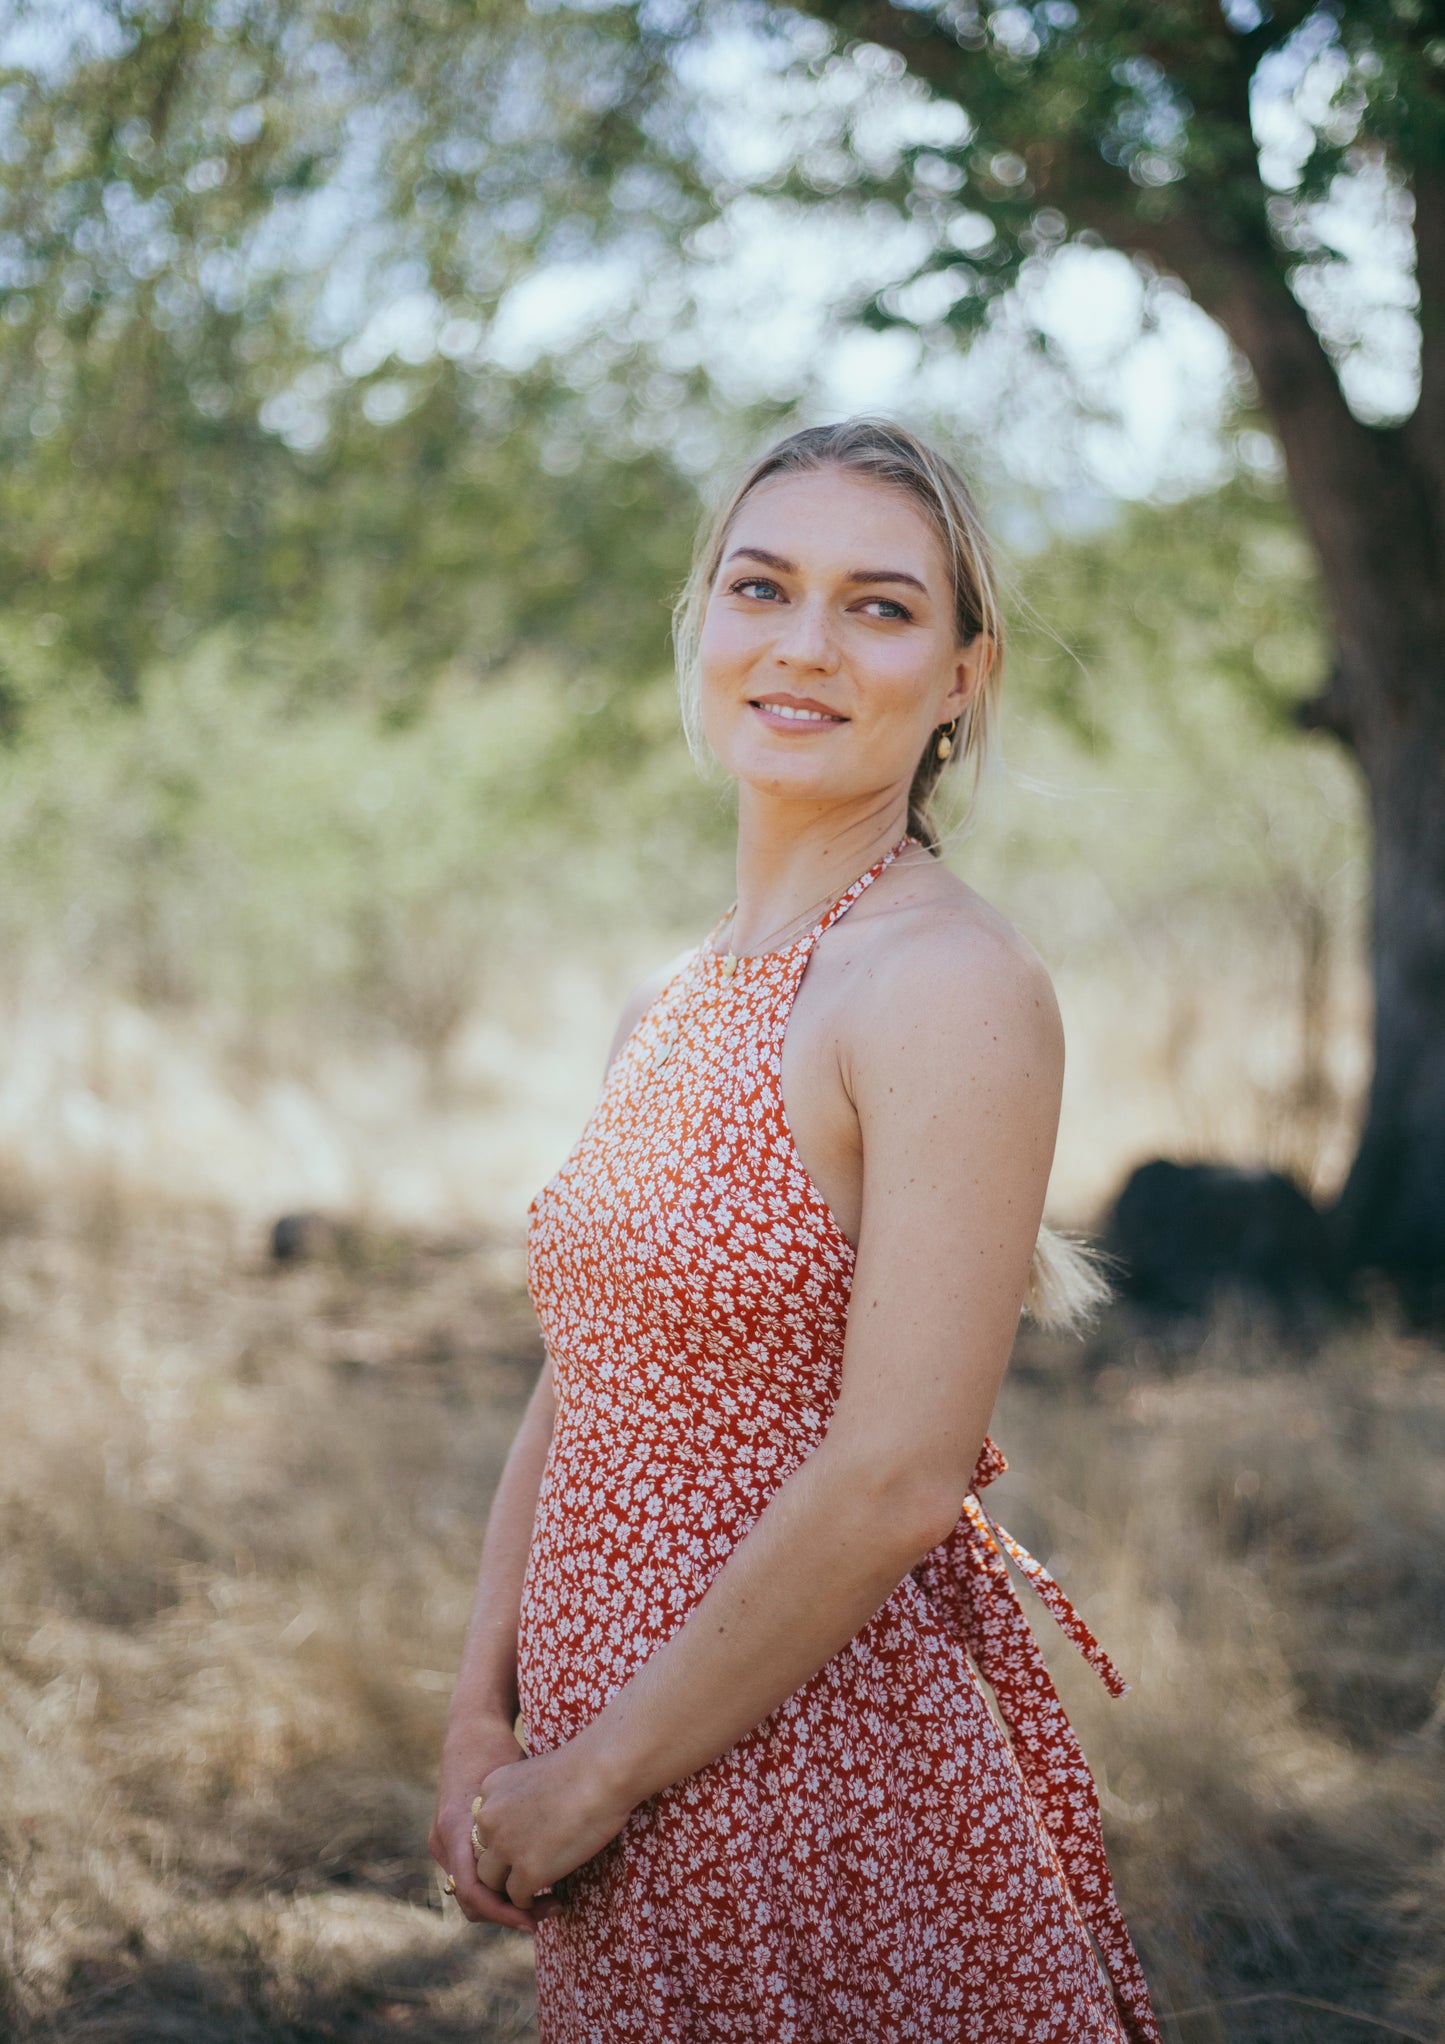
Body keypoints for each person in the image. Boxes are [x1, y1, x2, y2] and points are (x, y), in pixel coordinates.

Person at [430, 417, 1162, 2043]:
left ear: (964, 674)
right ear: (703, 623)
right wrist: (482, 1721)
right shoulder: (672, 998)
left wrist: (594, 1775)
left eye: (880, 607)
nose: (805, 645)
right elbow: (586, 1375)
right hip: (606, 1782)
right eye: (762, 586)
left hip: (811, 1785)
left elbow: (901, 1475)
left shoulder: (946, 987)